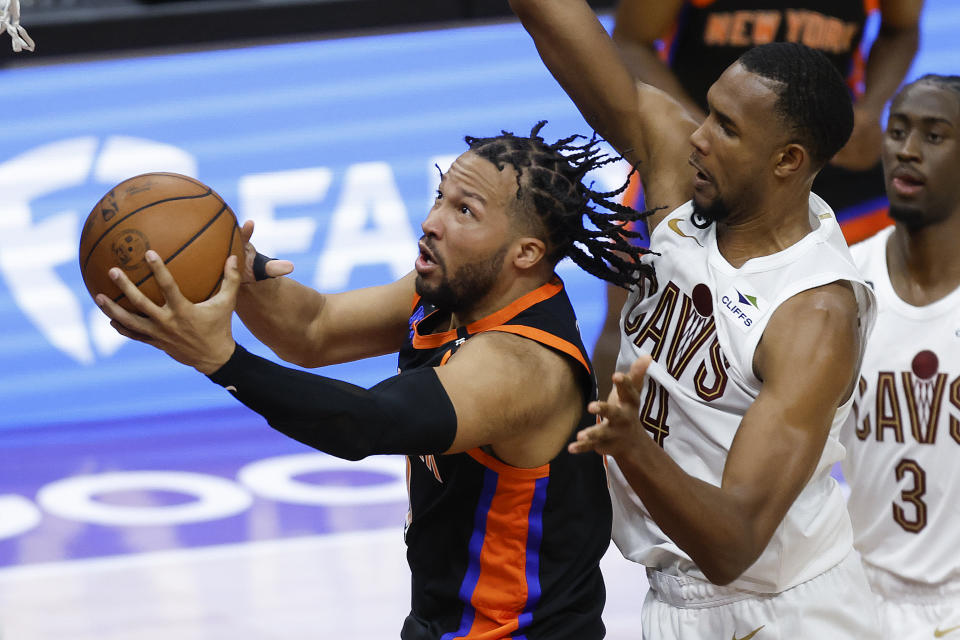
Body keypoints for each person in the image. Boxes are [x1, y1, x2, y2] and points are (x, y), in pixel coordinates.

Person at [95, 123, 651, 639]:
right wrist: (231, 260)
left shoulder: (521, 366)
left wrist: (222, 361)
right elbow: (313, 330)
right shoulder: (450, 293)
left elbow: (365, 423)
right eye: (440, 197)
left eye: (465, 211)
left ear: (526, 253)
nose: (432, 221)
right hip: (445, 622)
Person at [509, 1, 878, 637]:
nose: (700, 136)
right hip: (673, 598)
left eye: (728, 128)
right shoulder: (681, 173)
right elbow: (555, 26)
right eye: (708, 110)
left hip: (784, 610)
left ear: (787, 160)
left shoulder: (812, 314)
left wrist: (628, 446)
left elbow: (734, 544)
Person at [592, 0, 922, 399]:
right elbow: (630, 41)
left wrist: (871, 107)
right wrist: (705, 133)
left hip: (828, 158)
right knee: (634, 315)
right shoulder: (703, 139)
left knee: (871, 331)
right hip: (700, 152)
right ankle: (599, 447)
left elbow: (901, 29)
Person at [840, 75, 960, 640]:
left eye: (935, 135)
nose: (906, 150)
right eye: (897, 131)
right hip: (854, 600)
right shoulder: (839, 284)